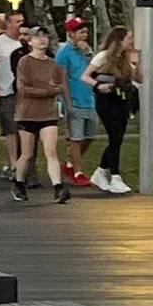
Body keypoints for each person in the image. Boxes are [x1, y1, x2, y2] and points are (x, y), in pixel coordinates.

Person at [10, 27, 72, 203]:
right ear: (30, 41)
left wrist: (62, 97)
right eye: (37, 37)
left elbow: (60, 85)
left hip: (48, 113)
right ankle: (19, 182)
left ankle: (58, 187)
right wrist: (47, 91)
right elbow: (23, 88)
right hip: (27, 113)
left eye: (45, 36)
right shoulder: (24, 61)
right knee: (27, 154)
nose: (42, 39)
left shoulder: (53, 63)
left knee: (51, 151)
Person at [81, 25, 139, 195]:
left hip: (122, 100)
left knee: (118, 137)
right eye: (129, 38)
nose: (131, 41)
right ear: (119, 40)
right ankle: (115, 175)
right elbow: (85, 76)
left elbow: (138, 78)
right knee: (115, 135)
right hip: (106, 100)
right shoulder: (103, 56)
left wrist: (137, 62)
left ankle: (101, 171)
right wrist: (98, 85)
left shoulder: (126, 58)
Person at [54, 16, 98, 186]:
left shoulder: (85, 51)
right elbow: (62, 80)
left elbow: (95, 69)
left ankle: (70, 163)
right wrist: (68, 102)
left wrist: (88, 53)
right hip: (74, 99)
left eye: (86, 32)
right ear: (71, 33)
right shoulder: (64, 52)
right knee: (76, 137)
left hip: (89, 98)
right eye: (81, 32)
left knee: (90, 136)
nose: (84, 35)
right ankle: (78, 171)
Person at [0, 12, 24, 181]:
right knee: (10, 128)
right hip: (5, 90)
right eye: (17, 21)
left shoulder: (24, 42)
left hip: (24, 91)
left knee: (23, 128)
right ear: (8, 23)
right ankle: (13, 164)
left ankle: (22, 164)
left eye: (22, 21)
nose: (21, 24)